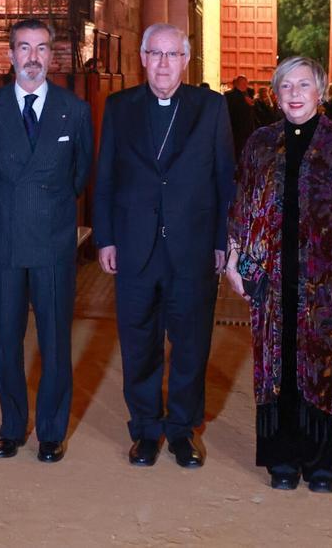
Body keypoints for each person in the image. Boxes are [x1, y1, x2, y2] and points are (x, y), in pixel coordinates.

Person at [225, 56, 332, 493]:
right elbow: (241, 202)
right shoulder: (260, 141)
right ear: (276, 92)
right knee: (276, 363)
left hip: (327, 276)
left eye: (303, 85)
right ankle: (283, 460)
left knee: (326, 362)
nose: (294, 93)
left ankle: (322, 464)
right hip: (272, 274)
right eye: (285, 85)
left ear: (321, 91)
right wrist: (235, 259)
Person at [93, 23, 235, 469]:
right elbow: (106, 177)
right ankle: (146, 430)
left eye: (172, 55)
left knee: (191, 343)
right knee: (139, 342)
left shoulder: (210, 107)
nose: (163, 63)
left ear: (186, 61)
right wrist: (106, 237)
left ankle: (182, 431)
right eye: (155, 54)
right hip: (135, 246)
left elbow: (224, 180)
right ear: (141, 57)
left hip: (193, 248)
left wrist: (220, 241)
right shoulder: (119, 107)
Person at [0, 19, 94, 463]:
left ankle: (51, 430)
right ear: (10, 55)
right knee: (6, 337)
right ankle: (10, 426)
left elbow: (80, 174)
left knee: (56, 339)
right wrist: (13, 204)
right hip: (3, 241)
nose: (33, 59)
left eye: (42, 49)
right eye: (24, 48)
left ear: (53, 56)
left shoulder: (74, 110)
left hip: (53, 241)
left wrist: (47, 207)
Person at [225, 74, 256, 160]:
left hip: (246, 128)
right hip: (236, 129)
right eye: (244, 83)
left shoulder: (248, 94)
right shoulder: (230, 96)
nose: (246, 85)